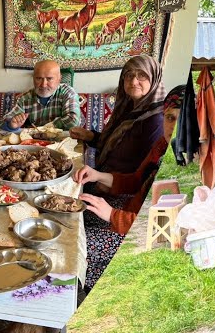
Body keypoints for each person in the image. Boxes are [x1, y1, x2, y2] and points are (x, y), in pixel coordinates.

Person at [73, 88, 182, 290]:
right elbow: (136, 180)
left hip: (140, 234)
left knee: (74, 247)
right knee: (77, 213)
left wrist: (112, 215)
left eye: (181, 119)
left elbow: (157, 225)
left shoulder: (182, 162)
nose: (174, 126)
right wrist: (98, 175)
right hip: (130, 209)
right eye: (170, 118)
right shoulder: (161, 146)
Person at [69, 55, 166, 177]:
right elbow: (113, 146)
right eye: (129, 75)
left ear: (154, 78)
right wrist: (90, 136)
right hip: (102, 174)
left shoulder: (156, 121)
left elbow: (144, 175)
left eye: (142, 75)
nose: (133, 82)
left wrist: (101, 179)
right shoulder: (127, 108)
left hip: (116, 185)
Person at [0, 60, 82, 131]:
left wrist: (47, 128)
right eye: (39, 78)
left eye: (49, 79)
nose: (43, 85)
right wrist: (11, 125)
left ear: (59, 79)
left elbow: (73, 121)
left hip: (62, 142)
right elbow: (1, 124)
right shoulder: (25, 98)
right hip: (33, 142)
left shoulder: (68, 93)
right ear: (33, 78)